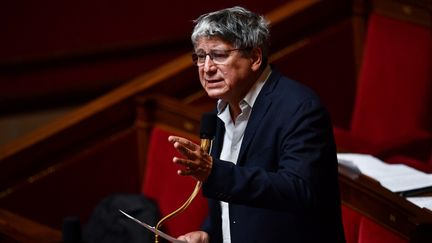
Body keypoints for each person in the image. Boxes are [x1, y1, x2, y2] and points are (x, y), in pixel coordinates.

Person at [168, 6, 346, 243]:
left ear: (254, 57)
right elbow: (232, 203)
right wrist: (208, 233)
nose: (207, 67)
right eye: (201, 56)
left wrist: (214, 172)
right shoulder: (222, 109)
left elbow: (298, 189)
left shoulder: (299, 107)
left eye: (219, 55)